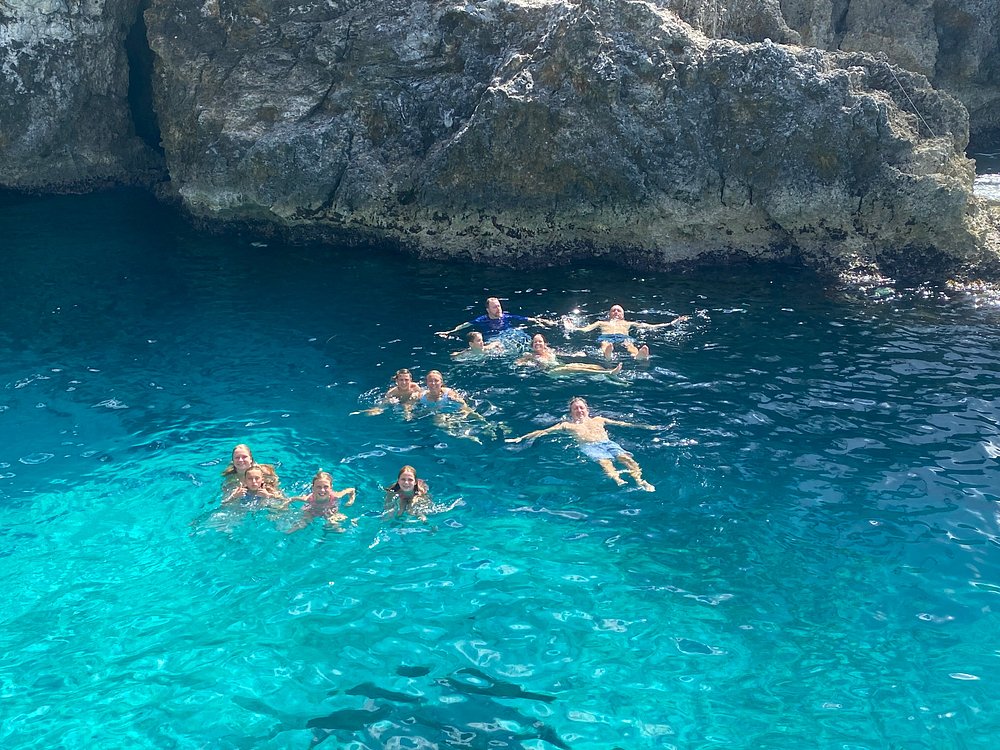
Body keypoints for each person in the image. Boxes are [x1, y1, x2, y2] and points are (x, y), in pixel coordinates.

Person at [505, 396, 657, 491]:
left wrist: (645, 427)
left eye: (581, 407)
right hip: (589, 446)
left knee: (627, 459)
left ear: (587, 409)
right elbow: (543, 431)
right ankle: (618, 480)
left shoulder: (599, 419)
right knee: (605, 463)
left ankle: (640, 481)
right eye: (575, 408)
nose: (579, 410)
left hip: (607, 442)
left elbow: (622, 424)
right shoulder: (567, 425)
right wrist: (521, 438)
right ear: (571, 412)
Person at [566, 304, 689, 360]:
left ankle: (638, 356)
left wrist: (672, 323)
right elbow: (586, 329)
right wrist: (572, 328)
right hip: (607, 336)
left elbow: (649, 327)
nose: (616, 312)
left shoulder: (628, 323)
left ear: (623, 315)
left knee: (630, 344)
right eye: (613, 310)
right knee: (605, 343)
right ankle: (607, 355)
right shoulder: (601, 323)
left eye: (619, 311)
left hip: (623, 336)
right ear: (609, 314)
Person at [436, 296, 558, 340]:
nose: (498, 309)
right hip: (493, 339)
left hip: (510, 336)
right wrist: (451, 332)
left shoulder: (507, 317)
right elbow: (466, 324)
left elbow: (527, 319)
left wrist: (544, 321)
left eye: (499, 306)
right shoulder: (482, 320)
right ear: (488, 310)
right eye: (494, 307)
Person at [516, 334, 623, 378]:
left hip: (560, 366)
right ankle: (609, 372)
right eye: (535, 342)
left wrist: (574, 354)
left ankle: (609, 374)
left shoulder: (549, 351)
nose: (537, 344)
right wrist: (525, 364)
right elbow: (518, 362)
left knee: (584, 365)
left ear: (545, 344)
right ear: (532, 345)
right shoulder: (530, 355)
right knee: (575, 368)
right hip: (551, 372)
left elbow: (561, 353)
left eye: (540, 342)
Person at [286, 470, 356, 531]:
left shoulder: (336, 496)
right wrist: (284, 506)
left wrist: (350, 501)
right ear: (313, 488)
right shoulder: (308, 499)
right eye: (318, 487)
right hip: (312, 511)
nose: (322, 490)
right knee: (302, 525)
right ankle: (285, 534)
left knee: (337, 528)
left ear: (331, 487)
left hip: (329, 512)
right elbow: (292, 499)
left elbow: (351, 490)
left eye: (326, 487)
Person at [352, 368, 423, 419]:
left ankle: (407, 412)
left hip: (409, 403)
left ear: (410, 380)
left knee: (409, 403)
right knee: (378, 410)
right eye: (401, 380)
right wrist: (389, 402)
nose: (404, 382)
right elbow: (383, 403)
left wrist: (417, 395)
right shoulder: (392, 392)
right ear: (397, 381)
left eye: (406, 380)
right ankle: (360, 412)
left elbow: (422, 395)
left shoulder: (415, 387)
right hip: (399, 403)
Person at [223, 465, 287, 506]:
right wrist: (234, 496)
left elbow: (284, 500)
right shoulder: (240, 491)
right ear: (245, 481)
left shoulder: (269, 490)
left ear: (262, 480)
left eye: (257, 478)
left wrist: (268, 495)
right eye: (250, 479)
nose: (254, 481)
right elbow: (224, 504)